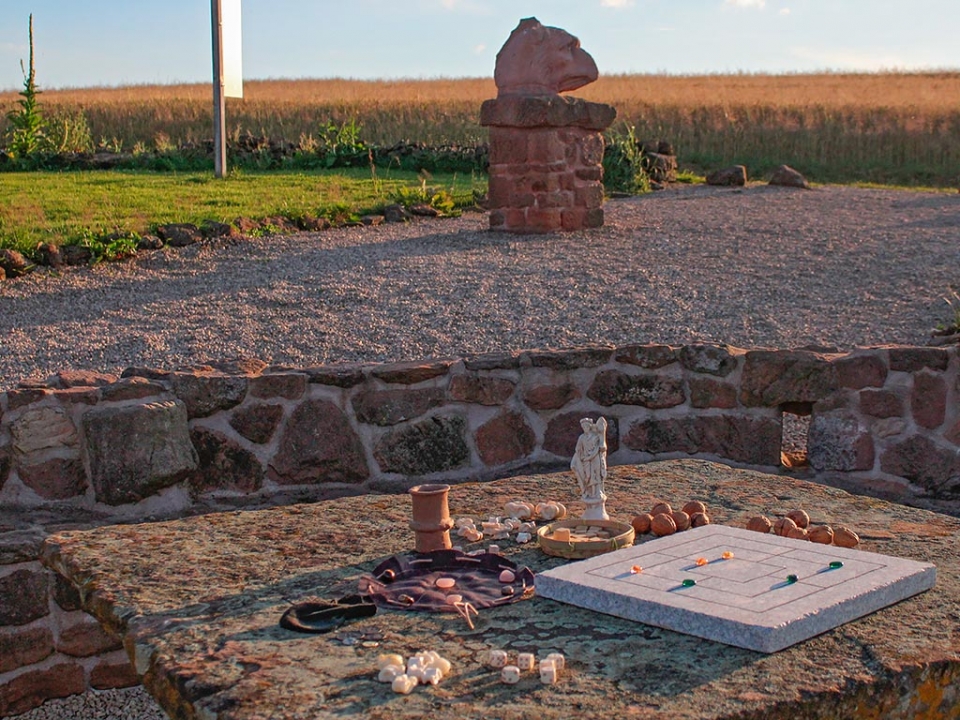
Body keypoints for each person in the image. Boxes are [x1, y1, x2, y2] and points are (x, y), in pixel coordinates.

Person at [571, 417, 607, 503]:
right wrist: (580, 456)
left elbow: (601, 447)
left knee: (597, 474)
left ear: (589, 427)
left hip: (595, 458)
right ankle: (589, 492)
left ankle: (597, 492)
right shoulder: (582, 437)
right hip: (585, 460)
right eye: (583, 427)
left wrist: (592, 455)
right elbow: (578, 448)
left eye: (586, 427)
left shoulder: (596, 436)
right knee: (588, 476)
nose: (585, 429)